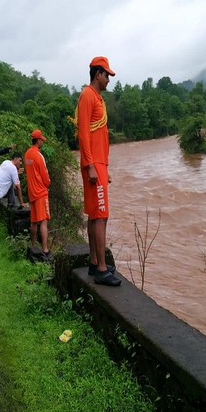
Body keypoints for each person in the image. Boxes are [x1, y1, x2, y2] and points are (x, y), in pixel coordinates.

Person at [77, 56, 121, 286]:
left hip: (100, 164)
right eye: (107, 75)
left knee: (95, 214)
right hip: (94, 164)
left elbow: (98, 136)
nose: (109, 80)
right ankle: (103, 269)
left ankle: (95, 263)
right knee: (101, 215)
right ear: (97, 74)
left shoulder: (98, 99)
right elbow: (83, 133)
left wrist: (104, 167)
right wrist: (92, 165)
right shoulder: (87, 96)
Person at [0, 152, 25, 246]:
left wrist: (16, 172)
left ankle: (11, 202)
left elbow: (8, 177)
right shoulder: (13, 169)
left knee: (10, 183)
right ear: (15, 159)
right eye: (20, 161)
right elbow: (18, 187)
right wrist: (22, 203)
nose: (21, 163)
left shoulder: (6, 162)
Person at [24, 129, 51, 257]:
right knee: (44, 222)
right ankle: (45, 249)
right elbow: (45, 175)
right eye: (42, 140)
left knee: (33, 222)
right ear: (38, 140)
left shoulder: (27, 155)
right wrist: (48, 183)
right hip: (41, 193)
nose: (42, 142)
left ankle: (34, 246)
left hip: (32, 193)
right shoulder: (38, 155)